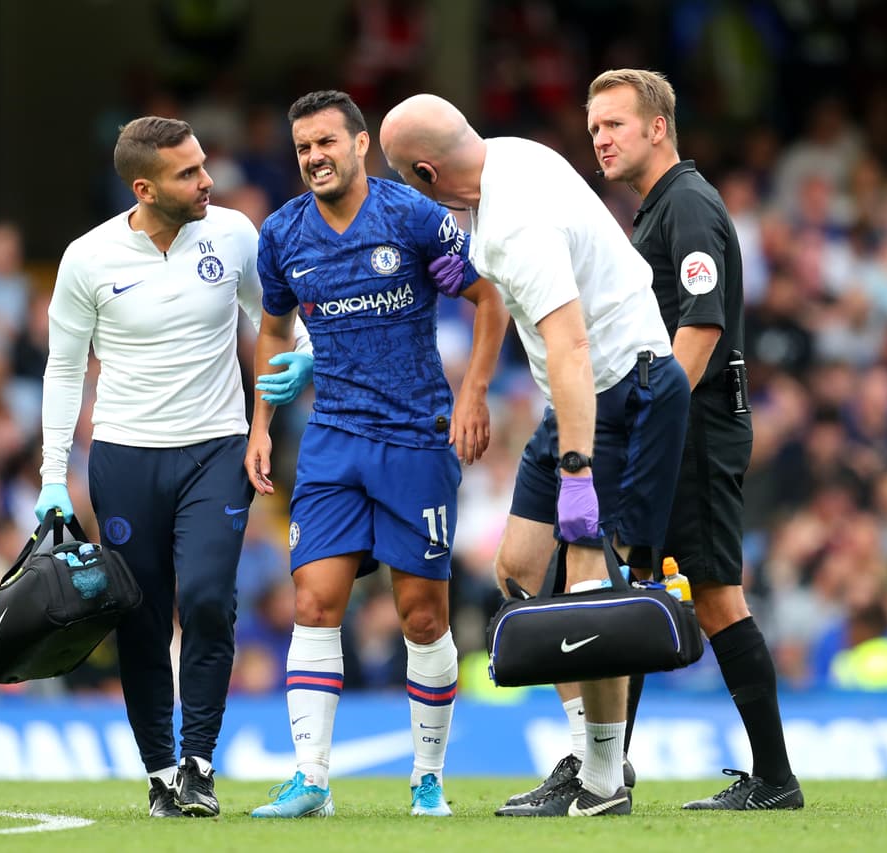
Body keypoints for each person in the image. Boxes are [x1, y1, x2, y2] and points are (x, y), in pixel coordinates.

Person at [381, 94, 690, 818]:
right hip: (577, 400)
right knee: (518, 569)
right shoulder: (505, 159)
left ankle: (604, 782)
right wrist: (483, 385)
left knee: (590, 581)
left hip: (622, 392)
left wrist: (577, 470)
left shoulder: (514, 219)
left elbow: (572, 343)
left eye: (401, 179)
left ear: (426, 172)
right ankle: (590, 750)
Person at [35, 116, 313, 819]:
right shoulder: (88, 257)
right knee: (141, 616)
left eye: (203, 164)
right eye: (188, 173)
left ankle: (199, 763)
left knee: (211, 599)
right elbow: (64, 370)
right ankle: (161, 773)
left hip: (217, 447)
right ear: (143, 187)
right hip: (125, 456)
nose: (206, 181)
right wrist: (49, 475)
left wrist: (302, 354)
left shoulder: (235, 233)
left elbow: (273, 317)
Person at [245, 90, 508, 819]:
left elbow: (490, 300)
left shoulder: (412, 217)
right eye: (303, 148)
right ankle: (312, 779)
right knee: (312, 602)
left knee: (423, 617)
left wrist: (474, 393)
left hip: (415, 439)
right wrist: (263, 421)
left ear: (361, 145)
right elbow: (273, 331)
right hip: (331, 440)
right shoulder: (282, 234)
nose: (314, 157)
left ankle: (427, 777)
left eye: (326, 142)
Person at [586, 68, 803, 809]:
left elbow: (700, 328)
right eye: (593, 130)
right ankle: (605, 774)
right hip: (679, 428)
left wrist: (656, 422)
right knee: (639, 588)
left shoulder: (687, 205)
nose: (600, 140)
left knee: (715, 595)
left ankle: (776, 779)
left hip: (696, 430)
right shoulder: (657, 209)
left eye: (613, 124)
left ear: (657, 127)